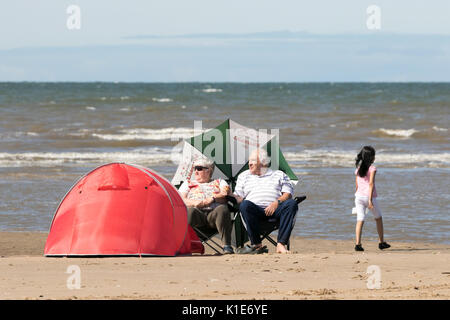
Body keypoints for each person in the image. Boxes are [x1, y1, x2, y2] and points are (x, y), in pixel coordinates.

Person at [233, 148, 298, 254]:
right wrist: (229, 194)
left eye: (253, 160)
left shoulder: (279, 174)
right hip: (255, 212)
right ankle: (257, 244)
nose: (249, 163)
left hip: (276, 211)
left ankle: (281, 245)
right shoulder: (244, 176)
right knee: (245, 205)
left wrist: (276, 203)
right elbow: (239, 198)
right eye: (249, 160)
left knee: (291, 204)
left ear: (263, 162)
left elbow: (287, 194)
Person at [179, 158, 234, 254]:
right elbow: (180, 200)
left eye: (199, 168)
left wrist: (212, 198)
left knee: (222, 208)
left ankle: (226, 246)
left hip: (214, 216)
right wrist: (195, 202)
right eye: (195, 168)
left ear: (209, 170)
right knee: (191, 210)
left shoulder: (219, 182)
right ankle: (183, 245)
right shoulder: (187, 183)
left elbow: (225, 194)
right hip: (196, 215)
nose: (195, 171)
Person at [354, 146, 391, 252]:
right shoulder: (372, 169)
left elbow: (356, 185)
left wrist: (357, 195)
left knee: (360, 219)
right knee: (378, 218)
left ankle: (358, 244)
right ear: (371, 158)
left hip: (358, 196)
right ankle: (381, 242)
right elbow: (371, 184)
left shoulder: (358, 169)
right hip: (369, 197)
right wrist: (370, 200)